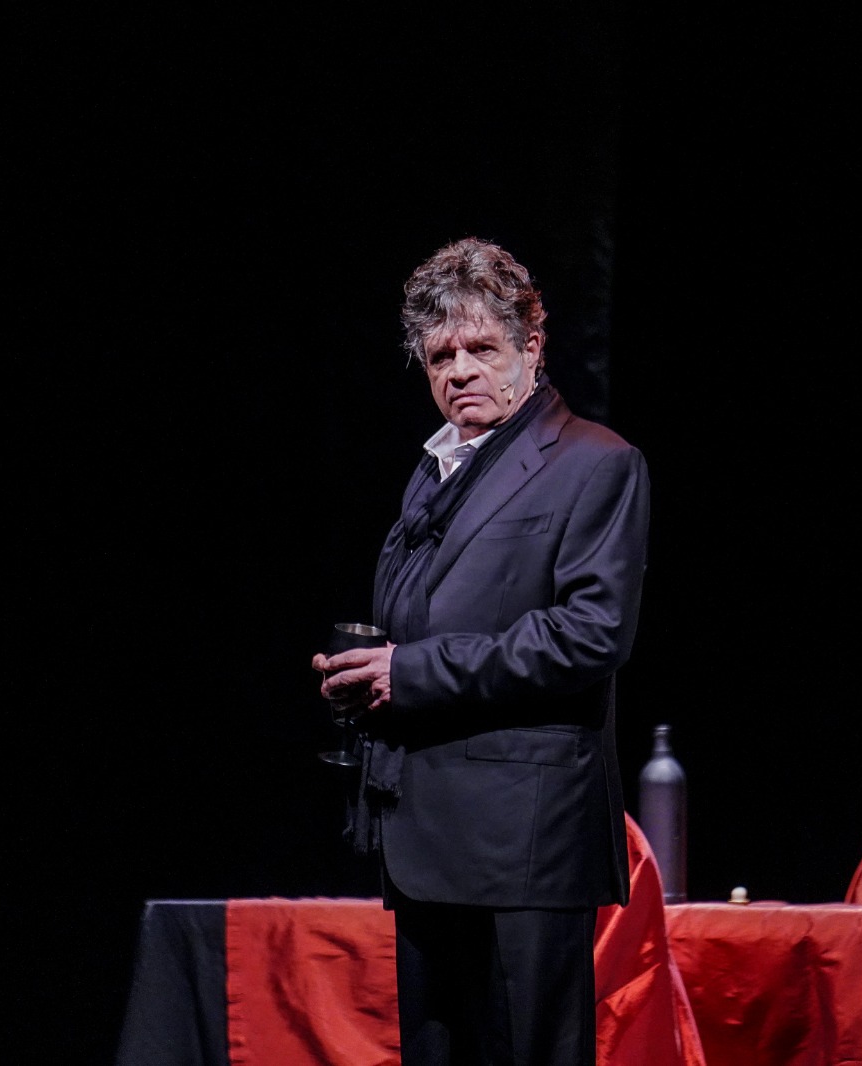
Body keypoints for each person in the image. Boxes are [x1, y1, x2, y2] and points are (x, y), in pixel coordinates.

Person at [312, 236, 652, 1066]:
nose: (459, 370)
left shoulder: (594, 462)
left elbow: (590, 634)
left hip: (522, 839)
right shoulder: (435, 470)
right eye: (441, 356)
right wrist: (364, 674)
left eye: (481, 349)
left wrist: (409, 672)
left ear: (531, 347)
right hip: (425, 828)